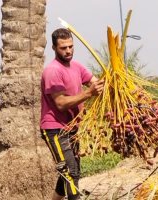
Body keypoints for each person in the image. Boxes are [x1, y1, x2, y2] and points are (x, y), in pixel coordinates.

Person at [40, 28, 104, 200]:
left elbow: (95, 83)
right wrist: (88, 93)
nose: (68, 51)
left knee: (68, 175)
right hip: (55, 129)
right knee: (70, 172)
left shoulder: (76, 67)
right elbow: (60, 103)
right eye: (63, 48)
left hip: (72, 128)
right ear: (54, 48)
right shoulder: (53, 71)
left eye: (70, 46)